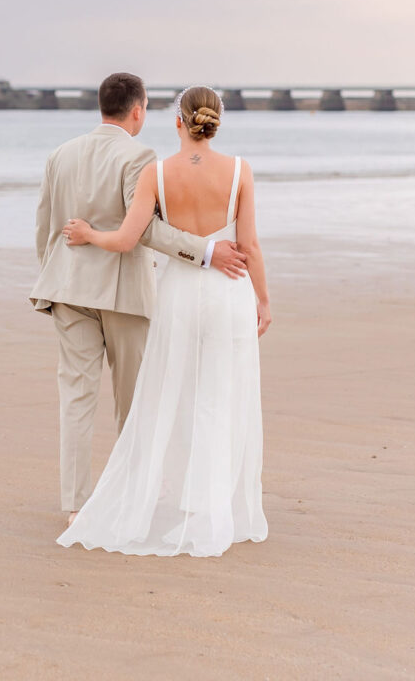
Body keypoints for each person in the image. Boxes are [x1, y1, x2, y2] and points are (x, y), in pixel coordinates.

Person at [55, 84, 272, 557]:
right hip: (228, 292)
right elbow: (250, 246)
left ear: (178, 122)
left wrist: (90, 233)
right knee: (219, 395)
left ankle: (152, 497)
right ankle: (210, 506)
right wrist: (263, 298)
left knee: (171, 391)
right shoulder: (240, 171)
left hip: (176, 293)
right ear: (214, 123)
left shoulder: (156, 173)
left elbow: (128, 240)